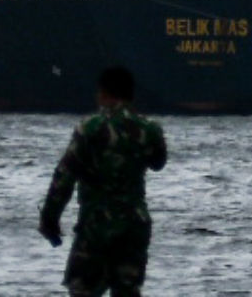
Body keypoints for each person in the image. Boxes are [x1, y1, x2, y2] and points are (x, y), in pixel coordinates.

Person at [39, 65, 169, 296]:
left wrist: (50, 219)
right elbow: (158, 163)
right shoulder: (149, 130)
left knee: (83, 289)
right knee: (128, 290)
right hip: (134, 227)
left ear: (104, 93)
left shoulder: (90, 128)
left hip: (95, 227)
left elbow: (65, 177)